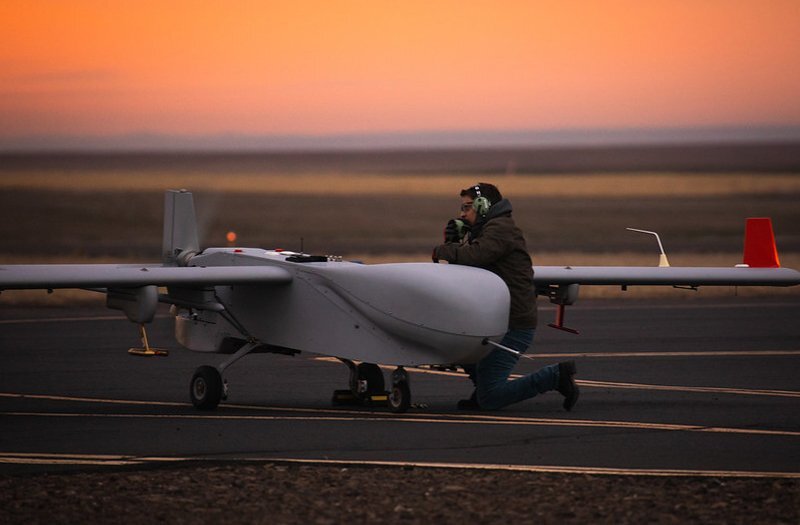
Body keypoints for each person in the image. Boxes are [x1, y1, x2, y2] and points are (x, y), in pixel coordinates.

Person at [432, 183, 579, 411]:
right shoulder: (488, 230)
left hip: (512, 324)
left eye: (467, 207)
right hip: (495, 320)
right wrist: (457, 240)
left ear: (483, 206)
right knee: (458, 345)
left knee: (491, 399)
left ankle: (555, 376)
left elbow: (476, 256)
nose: (462, 214)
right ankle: (482, 390)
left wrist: (444, 249)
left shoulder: (500, 229)